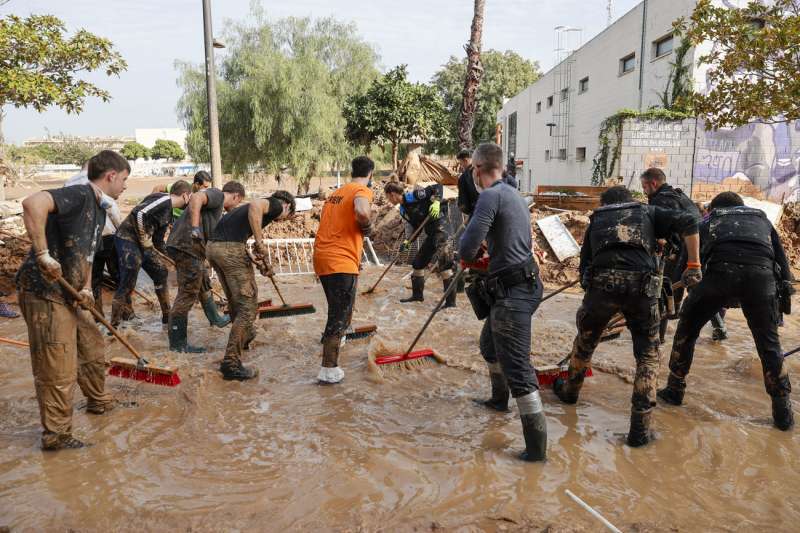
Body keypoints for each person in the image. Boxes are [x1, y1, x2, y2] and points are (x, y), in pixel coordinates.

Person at [552, 185, 700, 447]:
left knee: (585, 343)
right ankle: (640, 430)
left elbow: (585, 271)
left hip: (601, 285)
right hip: (642, 288)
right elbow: (690, 220)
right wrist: (693, 264)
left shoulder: (597, 219)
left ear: (605, 203)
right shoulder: (648, 211)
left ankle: (570, 393)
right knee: (647, 355)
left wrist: (601, 304)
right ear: (630, 201)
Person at [16, 150, 129, 450]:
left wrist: (88, 288)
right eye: (125, 180)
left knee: (92, 345)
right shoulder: (79, 194)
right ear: (111, 176)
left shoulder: (100, 208)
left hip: (72, 292)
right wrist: (42, 253)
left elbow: (88, 253)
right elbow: (32, 203)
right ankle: (56, 435)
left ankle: (98, 401)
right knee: (57, 363)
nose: (126, 187)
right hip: (44, 290)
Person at [658, 192, 795, 431]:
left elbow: (686, 266)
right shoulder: (762, 219)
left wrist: (675, 306)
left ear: (715, 208)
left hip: (718, 278)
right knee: (769, 344)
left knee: (687, 332)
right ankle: (782, 412)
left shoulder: (709, 220)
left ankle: (674, 389)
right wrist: (783, 292)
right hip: (761, 280)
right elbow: (782, 263)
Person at [458, 143, 546, 462]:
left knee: (518, 368)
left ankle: (536, 452)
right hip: (524, 283)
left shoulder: (490, 196)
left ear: (477, 169)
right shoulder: (514, 194)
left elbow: (467, 248)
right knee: (490, 347)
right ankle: (498, 400)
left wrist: (468, 252)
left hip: (513, 293)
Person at [207, 191, 295, 380]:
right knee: (248, 309)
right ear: (287, 206)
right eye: (284, 218)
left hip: (214, 248)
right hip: (229, 250)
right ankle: (231, 364)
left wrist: (263, 265)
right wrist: (260, 241)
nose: (278, 221)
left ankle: (244, 337)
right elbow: (256, 205)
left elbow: (241, 247)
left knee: (235, 303)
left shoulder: (242, 213)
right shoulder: (276, 204)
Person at [312, 156, 374, 385]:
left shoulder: (336, 193)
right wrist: (367, 226)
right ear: (370, 174)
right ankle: (328, 369)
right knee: (338, 315)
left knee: (340, 310)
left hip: (323, 257)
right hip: (341, 260)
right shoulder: (361, 190)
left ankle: (336, 340)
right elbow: (362, 211)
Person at [166, 181, 246, 353]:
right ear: (236, 196)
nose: (234, 208)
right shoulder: (218, 195)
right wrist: (195, 228)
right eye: (237, 203)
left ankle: (215, 318)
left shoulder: (216, 209)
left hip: (187, 247)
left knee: (202, 280)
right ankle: (178, 344)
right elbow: (196, 197)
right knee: (187, 293)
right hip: (186, 246)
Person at [111, 180, 192, 327]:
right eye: (191, 197)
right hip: (127, 239)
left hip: (143, 244)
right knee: (129, 277)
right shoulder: (163, 199)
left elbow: (159, 242)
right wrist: (143, 236)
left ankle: (167, 316)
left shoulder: (168, 214)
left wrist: (173, 259)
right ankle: (114, 324)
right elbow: (140, 213)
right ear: (186, 195)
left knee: (160, 271)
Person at [640, 168, 703, 343]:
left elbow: (668, 231)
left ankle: (657, 339)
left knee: (663, 290)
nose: (644, 191)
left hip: (684, 249)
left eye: (644, 187)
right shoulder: (678, 195)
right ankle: (719, 328)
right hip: (700, 248)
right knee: (699, 287)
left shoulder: (662, 199)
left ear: (653, 183)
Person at [64, 162, 123, 318]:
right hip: (107, 234)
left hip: (81, 237)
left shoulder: (69, 182)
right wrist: (121, 230)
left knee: (95, 279)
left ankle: (97, 316)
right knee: (119, 276)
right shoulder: (97, 184)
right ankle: (124, 314)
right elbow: (112, 209)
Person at [384, 181, 456, 307]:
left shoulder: (415, 195)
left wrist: (437, 202)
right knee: (418, 263)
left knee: (445, 266)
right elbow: (416, 227)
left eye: (388, 197)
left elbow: (437, 186)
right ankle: (417, 296)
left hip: (442, 230)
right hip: (431, 234)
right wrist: (408, 241)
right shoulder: (403, 210)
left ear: (393, 194)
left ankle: (450, 303)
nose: (388, 200)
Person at [458, 148, 517, 218]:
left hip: (479, 215)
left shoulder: (463, 178)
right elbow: (513, 184)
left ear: (466, 160)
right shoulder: (494, 168)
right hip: (501, 214)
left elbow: (464, 205)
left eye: (461, 163)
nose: (461, 166)